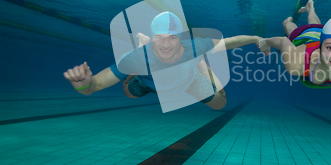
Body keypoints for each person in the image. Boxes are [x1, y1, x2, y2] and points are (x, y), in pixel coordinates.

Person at [64, 11, 264, 110]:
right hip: (149, 82)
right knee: (130, 93)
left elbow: (229, 42)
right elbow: (95, 85)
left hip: (189, 81)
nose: (166, 44)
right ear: (153, 38)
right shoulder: (139, 59)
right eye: (159, 37)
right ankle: (141, 49)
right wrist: (83, 85)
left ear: (182, 40)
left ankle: (198, 65)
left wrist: (255, 39)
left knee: (220, 103)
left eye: (172, 37)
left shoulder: (194, 46)